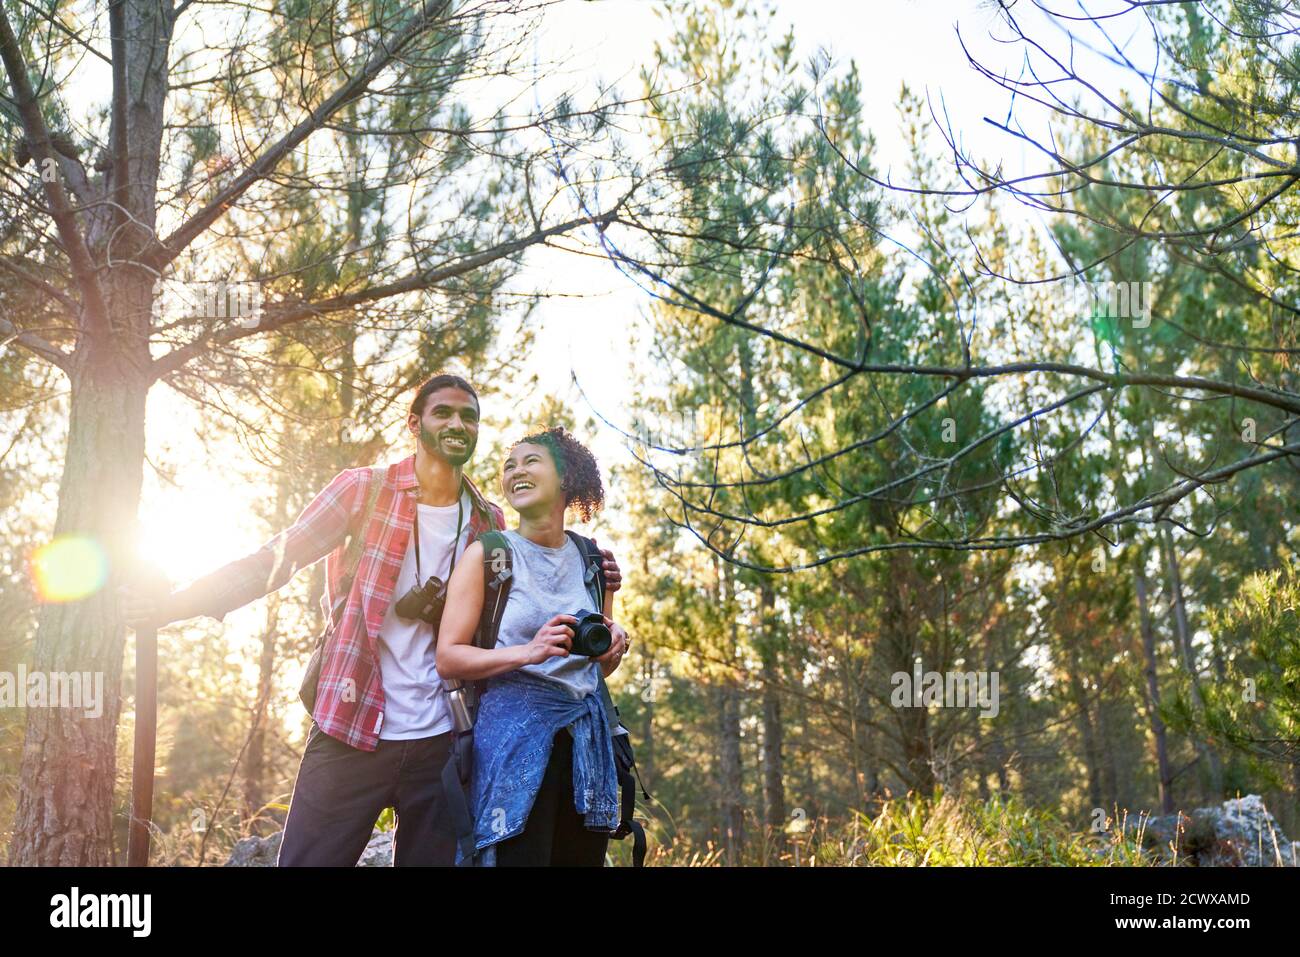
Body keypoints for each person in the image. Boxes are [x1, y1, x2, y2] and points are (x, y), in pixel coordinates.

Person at [118, 375, 622, 866]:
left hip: (443, 743)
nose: (458, 424)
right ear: (414, 423)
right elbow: (273, 561)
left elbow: (536, 577)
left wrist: (600, 572)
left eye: (470, 417)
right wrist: (176, 605)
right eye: (442, 411)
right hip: (351, 725)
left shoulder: (487, 521)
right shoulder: (363, 491)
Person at [436, 425, 632, 866]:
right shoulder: (489, 554)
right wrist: (529, 651)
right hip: (513, 742)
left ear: (567, 478)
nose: (516, 471)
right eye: (509, 465)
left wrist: (612, 647)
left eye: (530, 462)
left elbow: (594, 670)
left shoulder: (592, 559)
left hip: (586, 744)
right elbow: (448, 656)